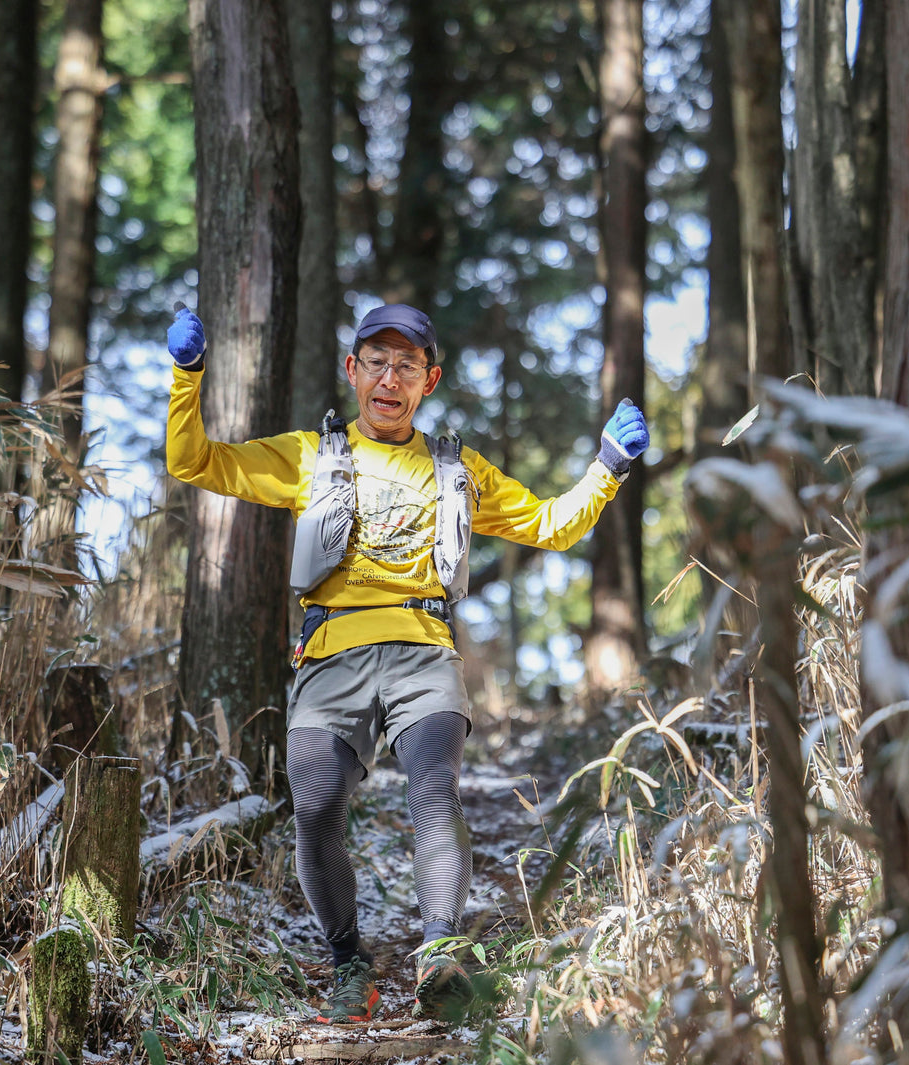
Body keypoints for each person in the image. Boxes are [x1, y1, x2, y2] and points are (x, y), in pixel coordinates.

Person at [165, 302, 649, 1023]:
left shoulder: (458, 469)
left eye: (408, 365)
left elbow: (551, 524)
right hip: (331, 653)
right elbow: (193, 459)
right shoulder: (310, 453)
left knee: (434, 786)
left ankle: (440, 956)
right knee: (316, 806)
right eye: (377, 362)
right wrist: (186, 376)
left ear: (430, 380)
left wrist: (608, 467)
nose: (391, 378)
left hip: (425, 650)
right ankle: (347, 963)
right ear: (352, 370)